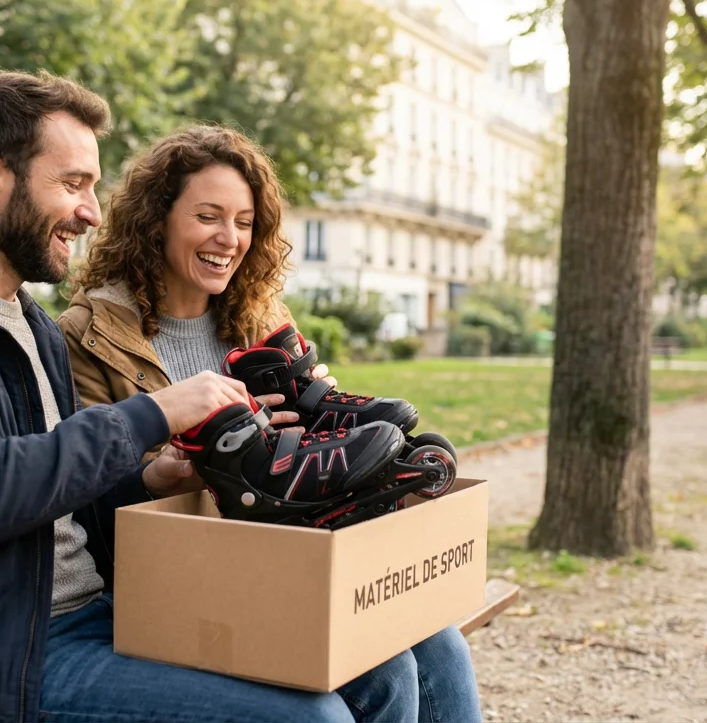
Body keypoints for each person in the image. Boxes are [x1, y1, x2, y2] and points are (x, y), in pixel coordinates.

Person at [0, 70, 427, 723]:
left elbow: (56, 496)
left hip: (81, 618)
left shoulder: (28, 322)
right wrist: (156, 412)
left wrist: (150, 477)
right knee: (311, 719)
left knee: (381, 665)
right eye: (72, 184)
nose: (92, 210)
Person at [57, 124, 483, 722]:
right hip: (181, 580)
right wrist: (166, 471)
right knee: (387, 672)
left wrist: (322, 421)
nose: (228, 239)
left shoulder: (260, 318)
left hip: (290, 555)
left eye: (244, 222)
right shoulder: (89, 335)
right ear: (157, 220)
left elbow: (314, 466)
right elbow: (83, 497)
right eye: (208, 216)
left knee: (440, 645)